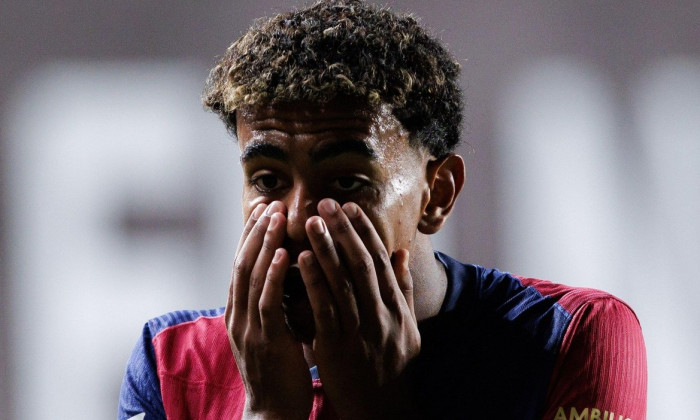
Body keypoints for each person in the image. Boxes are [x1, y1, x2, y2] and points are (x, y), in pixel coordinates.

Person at [118, 1, 647, 419]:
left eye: (347, 181)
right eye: (268, 180)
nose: (300, 218)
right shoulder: (171, 362)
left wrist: (379, 409)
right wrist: (268, 413)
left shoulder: (570, 337)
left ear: (437, 194)